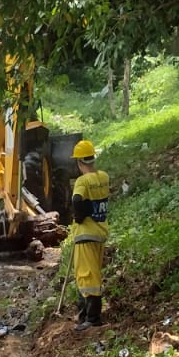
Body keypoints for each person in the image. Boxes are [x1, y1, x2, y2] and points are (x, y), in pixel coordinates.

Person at [70, 140, 109, 332]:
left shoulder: (82, 181)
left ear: (79, 162)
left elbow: (77, 200)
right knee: (93, 272)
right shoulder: (103, 177)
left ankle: (92, 318)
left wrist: (79, 215)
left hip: (85, 234)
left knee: (87, 276)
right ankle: (84, 314)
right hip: (100, 232)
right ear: (92, 158)